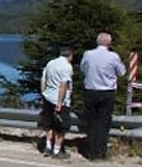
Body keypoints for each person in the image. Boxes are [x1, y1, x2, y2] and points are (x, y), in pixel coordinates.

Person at [80, 32, 126, 160]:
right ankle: (101, 151)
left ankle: (91, 151)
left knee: (92, 122)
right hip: (106, 92)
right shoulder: (113, 56)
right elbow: (121, 72)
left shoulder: (88, 54)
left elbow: (83, 68)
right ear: (109, 43)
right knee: (103, 122)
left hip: (90, 91)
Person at [38, 46, 73, 159]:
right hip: (60, 100)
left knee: (49, 123)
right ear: (70, 55)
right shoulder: (67, 67)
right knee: (61, 126)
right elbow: (63, 85)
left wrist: (44, 93)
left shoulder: (50, 63)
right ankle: (57, 151)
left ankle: (48, 147)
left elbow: (43, 79)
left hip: (48, 97)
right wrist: (59, 102)